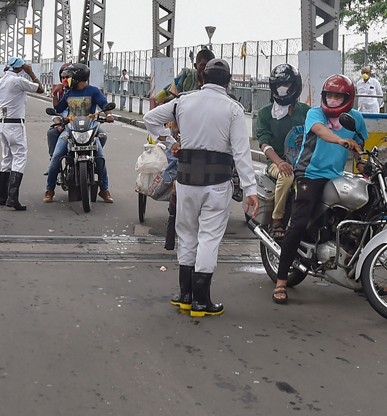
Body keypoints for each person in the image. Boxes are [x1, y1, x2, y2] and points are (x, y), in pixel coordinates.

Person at [142, 58, 258, 317]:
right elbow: (241, 154)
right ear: (228, 82)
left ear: (202, 77)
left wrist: (170, 140)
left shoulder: (184, 101)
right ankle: (201, 301)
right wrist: (250, 191)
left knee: (187, 233)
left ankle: (185, 296)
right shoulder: (234, 109)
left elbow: (150, 118)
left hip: (186, 180)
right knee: (208, 237)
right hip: (217, 183)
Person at [272, 75, 367, 305]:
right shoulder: (315, 114)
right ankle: (281, 280)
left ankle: (363, 279)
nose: (333, 100)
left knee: (361, 220)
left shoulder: (355, 118)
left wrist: (364, 163)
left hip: (336, 176)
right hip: (310, 174)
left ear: (349, 98)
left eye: (338, 96)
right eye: (329, 95)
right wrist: (341, 141)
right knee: (298, 223)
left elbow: (361, 147)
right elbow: (322, 132)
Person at [43, 64, 114, 204]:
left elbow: (104, 105)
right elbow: (59, 108)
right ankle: (49, 189)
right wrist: (55, 94)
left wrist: (109, 114)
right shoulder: (69, 93)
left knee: (100, 157)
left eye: (69, 77)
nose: (67, 80)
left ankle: (104, 190)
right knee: (57, 156)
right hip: (70, 128)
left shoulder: (93, 91)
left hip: (90, 127)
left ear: (78, 77)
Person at [255, 64, 309, 239]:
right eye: (278, 85)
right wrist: (279, 162)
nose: (282, 89)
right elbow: (264, 144)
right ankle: (277, 219)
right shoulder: (265, 114)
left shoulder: (307, 112)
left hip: (305, 162)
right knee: (287, 176)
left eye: (287, 85)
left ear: (296, 86)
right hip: (277, 163)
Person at [0, 57, 44, 210]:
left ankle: (2, 196)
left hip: (3, 123)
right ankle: (13, 197)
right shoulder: (18, 81)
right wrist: (31, 73)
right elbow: (40, 89)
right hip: (15, 124)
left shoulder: (0, 81)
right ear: (18, 69)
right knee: (20, 157)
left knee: (7, 158)